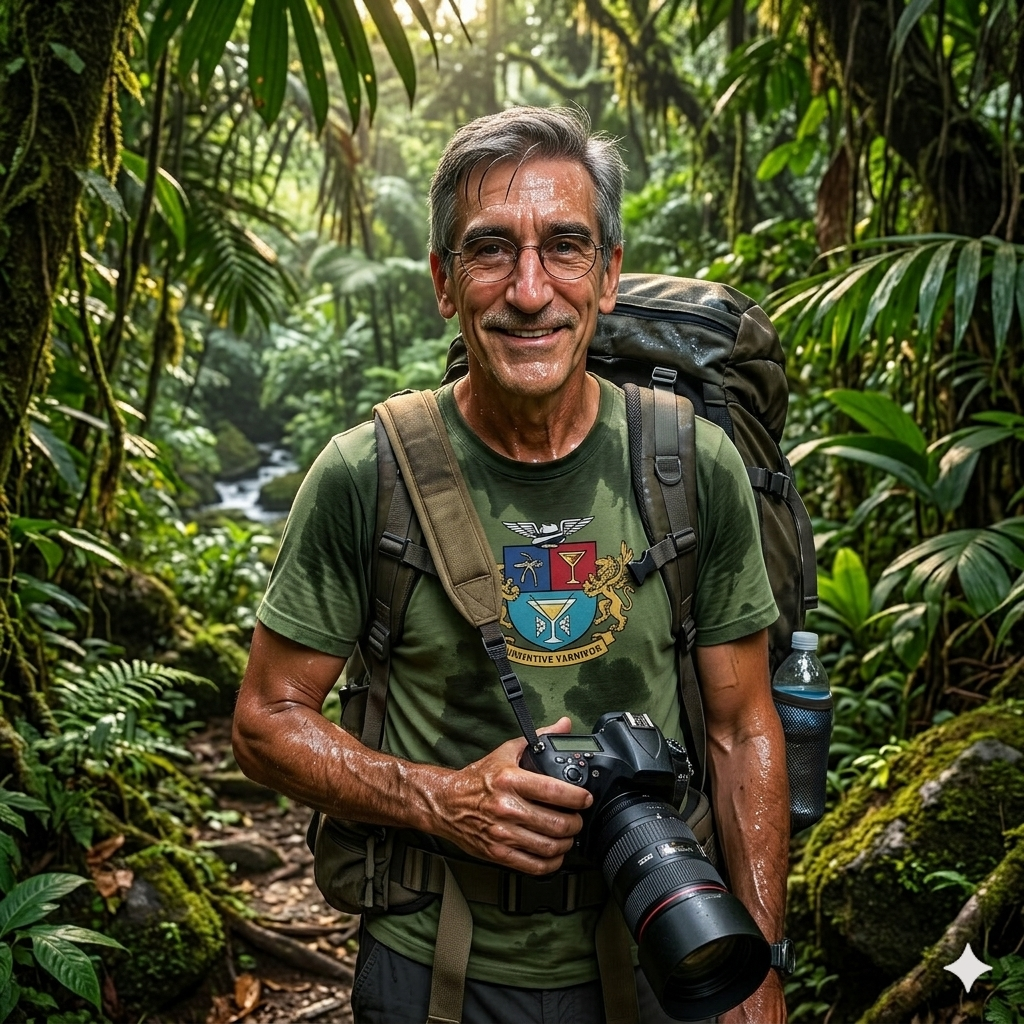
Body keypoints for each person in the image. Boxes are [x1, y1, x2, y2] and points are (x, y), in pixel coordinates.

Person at [233, 106, 789, 1024]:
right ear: (446, 284)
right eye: (492, 249)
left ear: (606, 276)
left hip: (666, 946)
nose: (530, 290)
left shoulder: (692, 464)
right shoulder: (366, 475)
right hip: (435, 959)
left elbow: (742, 727)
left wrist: (757, 957)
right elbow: (264, 719)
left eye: (565, 247)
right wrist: (442, 799)